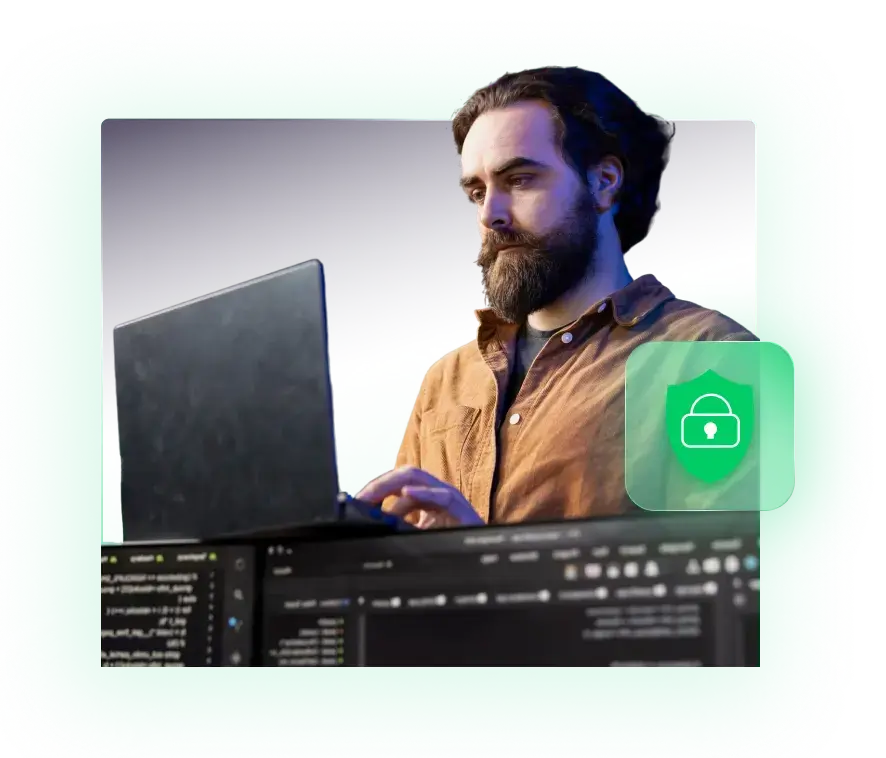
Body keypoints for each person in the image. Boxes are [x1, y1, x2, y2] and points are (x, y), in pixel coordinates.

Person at [356, 65, 757, 529]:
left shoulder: (711, 360)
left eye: (520, 180)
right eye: (477, 192)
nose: (491, 215)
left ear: (604, 182)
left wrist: (480, 564)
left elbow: (737, 585)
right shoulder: (445, 381)